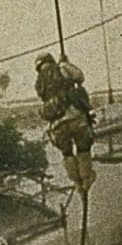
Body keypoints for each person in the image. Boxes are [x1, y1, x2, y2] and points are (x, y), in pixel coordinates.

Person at [34, 51, 96, 191]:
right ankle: (86, 177)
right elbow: (79, 77)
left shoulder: (39, 82)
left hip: (57, 125)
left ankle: (77, 182)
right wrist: (65, 63)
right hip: (75, 117)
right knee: (83, 148)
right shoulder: (61, 67)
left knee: (67, 154)